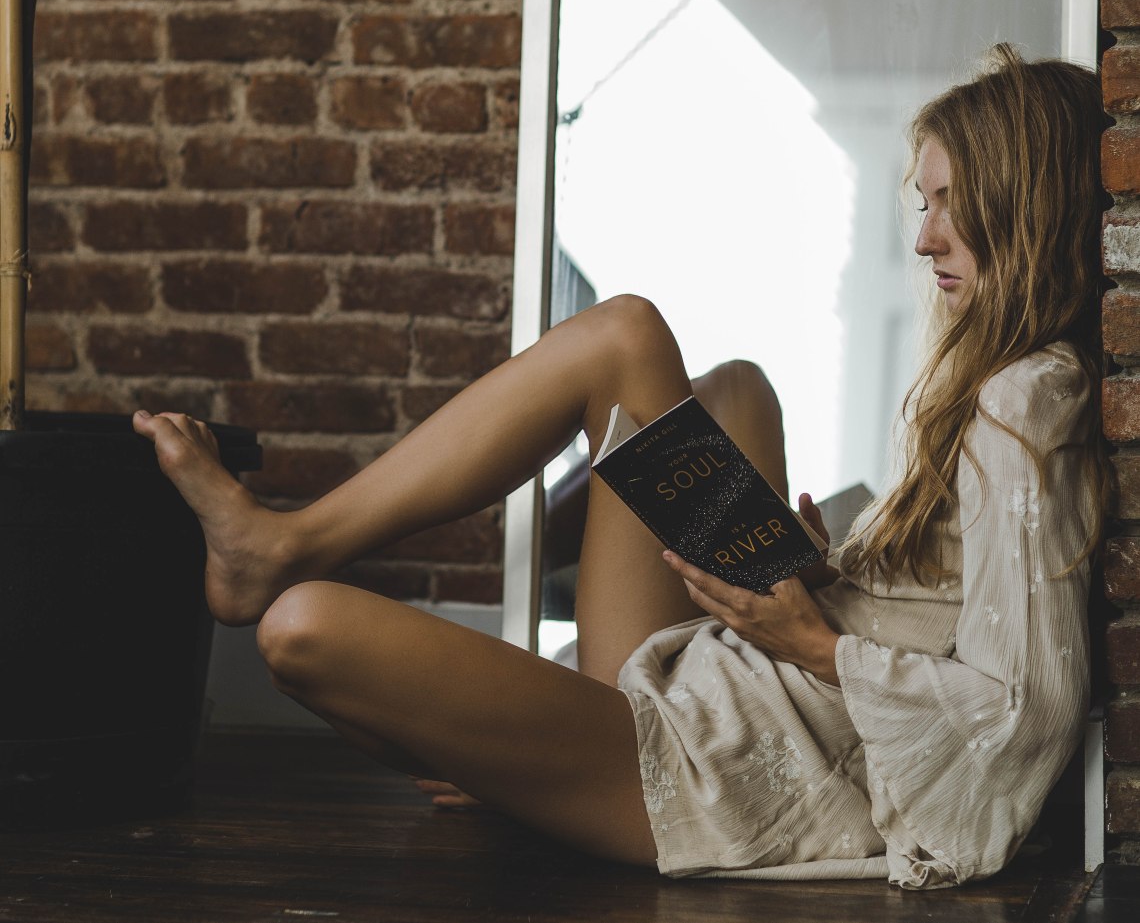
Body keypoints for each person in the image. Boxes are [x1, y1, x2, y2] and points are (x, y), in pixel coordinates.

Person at [132, 45, 1110, 889]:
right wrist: (831, 569)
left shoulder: (1025, 404)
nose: (924, 236)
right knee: (711, 379)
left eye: (952, 205)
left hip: (737, 766)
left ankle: (310, 580)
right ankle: (304, 564)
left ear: (1022, 208)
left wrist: (816, 640)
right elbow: (952, 612)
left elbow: (1027, 714)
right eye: (924, 201)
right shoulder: (1003, 389)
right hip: (732, 687)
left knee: (303, 628)